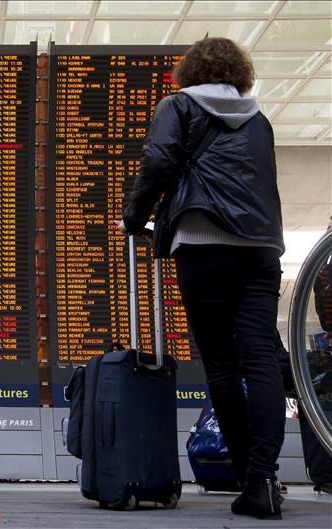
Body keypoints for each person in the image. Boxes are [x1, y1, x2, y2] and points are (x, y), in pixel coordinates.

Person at [120, 38, 285, 520]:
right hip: (259, 249)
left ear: (190, 71)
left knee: (220, 364)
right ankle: (262, 479)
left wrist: (135, 218)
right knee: (259, 358)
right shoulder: (260, 118)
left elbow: (159, 160)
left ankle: (245, 475)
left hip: (202, 239)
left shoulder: (178, 105)